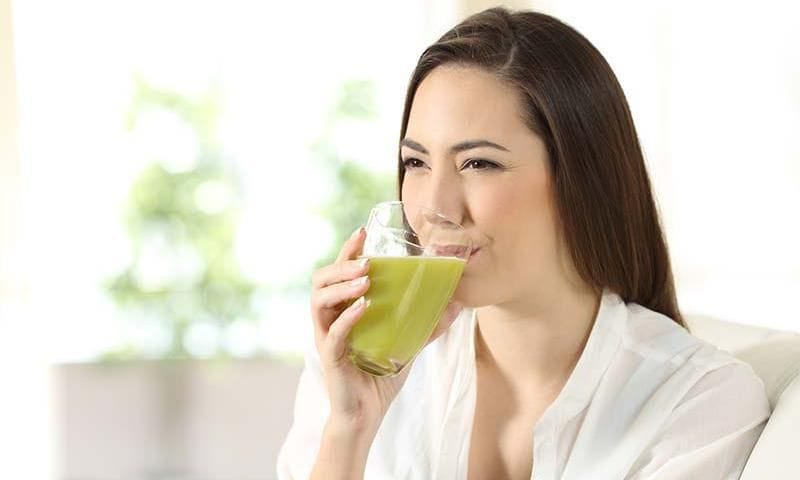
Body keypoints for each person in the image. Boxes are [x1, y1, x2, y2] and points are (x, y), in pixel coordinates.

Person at [277, 7, 770, 480]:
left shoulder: (697, 401)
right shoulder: (359, 367)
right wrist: (351, 428)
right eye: (416, 163)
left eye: (479, 164)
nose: (436, 207)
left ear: (582, 179)